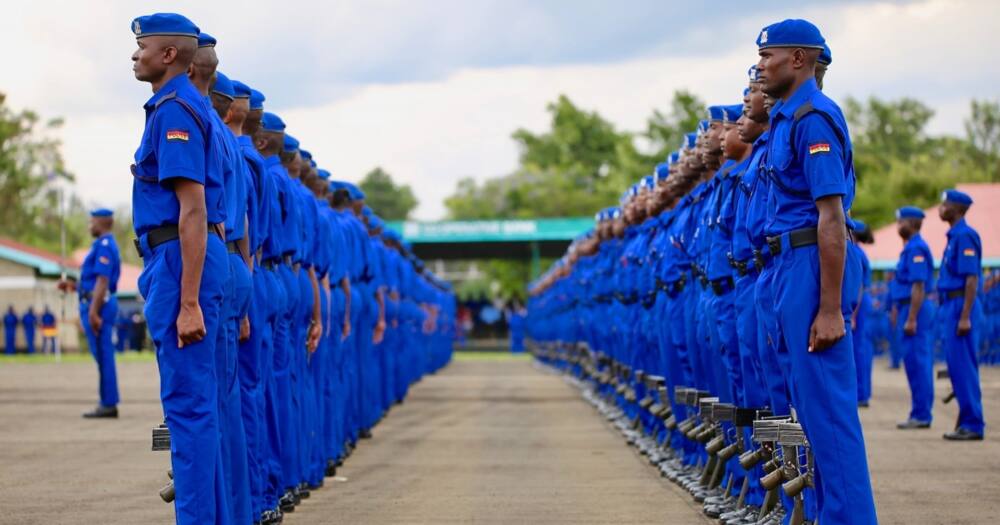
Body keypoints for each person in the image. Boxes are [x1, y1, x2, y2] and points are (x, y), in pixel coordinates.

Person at [756, 18, 876, 523]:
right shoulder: (787, 118)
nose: (761, 65)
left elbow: (831, 217)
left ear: (799, 59)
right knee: (813, 415)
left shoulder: (813, 118)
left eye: (769, 56)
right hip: (792, 265)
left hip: (812, 264)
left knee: (828, 414)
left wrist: (829, 308)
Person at [130, 12, 230, 524]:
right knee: (201, 410)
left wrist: (188, 301)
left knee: (188, 412)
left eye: (142, 45)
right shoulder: (189, 106)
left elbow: (193, 208)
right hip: (190, 259)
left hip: (179, 260)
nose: (134, 54)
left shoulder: (174, 110)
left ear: (168, 55)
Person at [936, 189, 985, 441]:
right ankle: (966, 419)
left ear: (955, 208)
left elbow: (971, 278)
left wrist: (965, 315)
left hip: (960, 307)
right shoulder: (955, 236)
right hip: (952, 306)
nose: (940, 208)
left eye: (944, 204)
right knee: (957, 367)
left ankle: (973, 424)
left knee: (964, 367)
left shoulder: (965, 235)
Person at [892, 206, 935, 429]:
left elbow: (918, 286)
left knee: (919, 363)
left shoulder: (917, 248)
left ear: (914, 224)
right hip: (910, 309)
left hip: (915, 310)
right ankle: (919, 412)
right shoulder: (910, 247)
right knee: (913, 363)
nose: (899, 226)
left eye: (902, 222)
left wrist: (911, 318)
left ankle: (922, 414)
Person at [77, 208, 122, 418]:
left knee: (104, 357)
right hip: (97, 303)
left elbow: (102, 281)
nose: (89, 226)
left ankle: (108, 404)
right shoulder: (100, 245)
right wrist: (71, 285)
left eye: (91, 222)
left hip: (99, 307)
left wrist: (94, 312)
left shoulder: (104, 246)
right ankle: (107, 401)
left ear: (101, 223)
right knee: (102, 356)